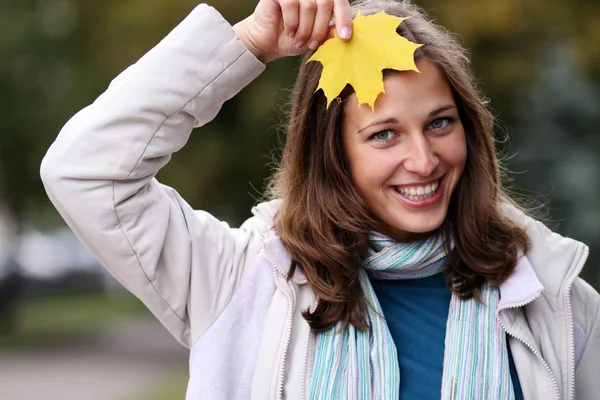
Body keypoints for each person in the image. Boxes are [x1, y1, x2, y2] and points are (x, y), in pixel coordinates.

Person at [40, 0, 600, 399]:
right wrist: (249, 43)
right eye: (384, 134)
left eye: (439, 123)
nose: (424, 160)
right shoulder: (242, 280)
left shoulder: (555, 299)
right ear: (333, 154)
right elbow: (85, 172)